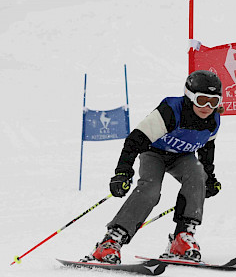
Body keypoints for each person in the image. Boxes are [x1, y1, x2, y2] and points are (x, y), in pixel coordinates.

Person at [82, 70, 224, 264]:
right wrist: (122, 172)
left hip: (182, 156)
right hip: (154, 152)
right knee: (150, 189)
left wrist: (210, 178)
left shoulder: (212, 121)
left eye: (213, 102)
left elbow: (207, 151)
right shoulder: (171, 111)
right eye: (201, 100)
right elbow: (134, 140)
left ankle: (182, 238)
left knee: (198, 175)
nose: (207, 107)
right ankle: (111, 241)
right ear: (190, 96)